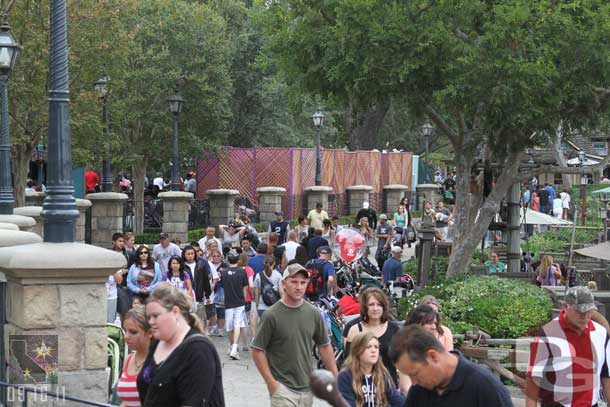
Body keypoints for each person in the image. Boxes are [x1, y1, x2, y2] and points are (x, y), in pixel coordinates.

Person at [252, 263, 338, 406]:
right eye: (294, 282)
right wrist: (271, 383)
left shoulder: (313, 313)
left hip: (307, 388)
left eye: (303, 282)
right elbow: (257, 350)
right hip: (283, 389)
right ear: (284, 283)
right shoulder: (271, 315)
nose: (299, 287)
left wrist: (335, 377)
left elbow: (324, 346)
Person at [137, 283, 225, 406]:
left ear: (175, 312)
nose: (150, 322)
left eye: (156, 316)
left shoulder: (198, 350)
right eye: (149, 317)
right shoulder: (157, 342)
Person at [525, 286, 610, 407]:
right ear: (565, 307)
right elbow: (533, 377)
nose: (585, 316)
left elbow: (606, 374)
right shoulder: (548, 333)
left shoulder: (601, 333)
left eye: (589, 311)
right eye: (580, 311)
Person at [391, 325, 513, 406]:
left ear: (433, 356)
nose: (413, 382)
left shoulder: (485, 387)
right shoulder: (419, 391)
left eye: (415, 373)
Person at [345, 287, 401, 387]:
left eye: (379, 304)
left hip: (389, 387)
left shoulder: (395, 330)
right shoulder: (355, 330)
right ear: (365, 307)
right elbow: (348, 363)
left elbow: (401, 363)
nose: (375, 308)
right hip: (361, 388)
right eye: (371, 305)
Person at [338, 332, 405, 407]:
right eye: (368, 347)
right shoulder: (345, 376)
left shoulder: (382, 373)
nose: (373, 350)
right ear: (357, 351)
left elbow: (396, 399)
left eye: (376, 347)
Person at [116, 305, 151, 407]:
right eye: (125, 330)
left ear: (149, 333)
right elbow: (127, 401)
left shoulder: (157, 361)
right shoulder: (128, 359)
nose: (126, 336)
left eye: (133, 332)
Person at [221, 250, 249, 360]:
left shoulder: (224, 272)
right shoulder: (242, 272)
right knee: (238, 324)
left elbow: (223, 286)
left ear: (228, 260)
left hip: (228, 302)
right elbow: (245, 288)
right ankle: (234, 348)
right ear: (238, 260)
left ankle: (232, 346)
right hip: (239, 301)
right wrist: (243, 297)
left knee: (229, 326)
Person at [182, 245, 212, 330]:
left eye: (192, 253)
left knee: (201, 319)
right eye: (188, 254)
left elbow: (206, 280)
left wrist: (208, 295)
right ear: (184, 255)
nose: (190, 255)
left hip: (199, 294)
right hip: (187, 296)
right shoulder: (182, 266)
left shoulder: (201, 264)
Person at [237, 251, 256, 350]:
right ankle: (245, 343)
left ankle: (238, 342)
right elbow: (251, 285)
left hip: (236, 297)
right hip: (247, 297)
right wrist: (253, 295)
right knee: (246, 320)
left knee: (238, 321)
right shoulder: (249, 270)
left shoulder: (236, 269)